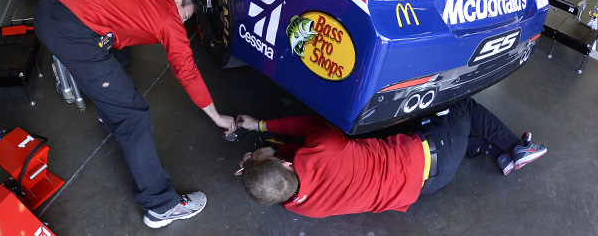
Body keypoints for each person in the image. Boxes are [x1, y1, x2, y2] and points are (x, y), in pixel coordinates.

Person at [34, 0, 236, 229]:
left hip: (49, 7)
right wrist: (216, 116)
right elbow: (186, 71)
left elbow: (121, 27)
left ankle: (108, 105)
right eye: (185, 17)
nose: (182, 25)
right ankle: (161, 206)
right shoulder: (166, 11)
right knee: (133, 115)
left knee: (120, 58)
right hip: (73, 29)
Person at [234, 97, 546, 218]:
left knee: (462, 134)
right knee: (460, 102)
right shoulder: (326, 148)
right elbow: (302, 126)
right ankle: (517, 148)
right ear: (286, 163)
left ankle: (491, 151)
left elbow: (294, 169)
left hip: (429, 184)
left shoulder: (295, 204)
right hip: (431, 151)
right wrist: (260, 128)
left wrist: (261, 161)